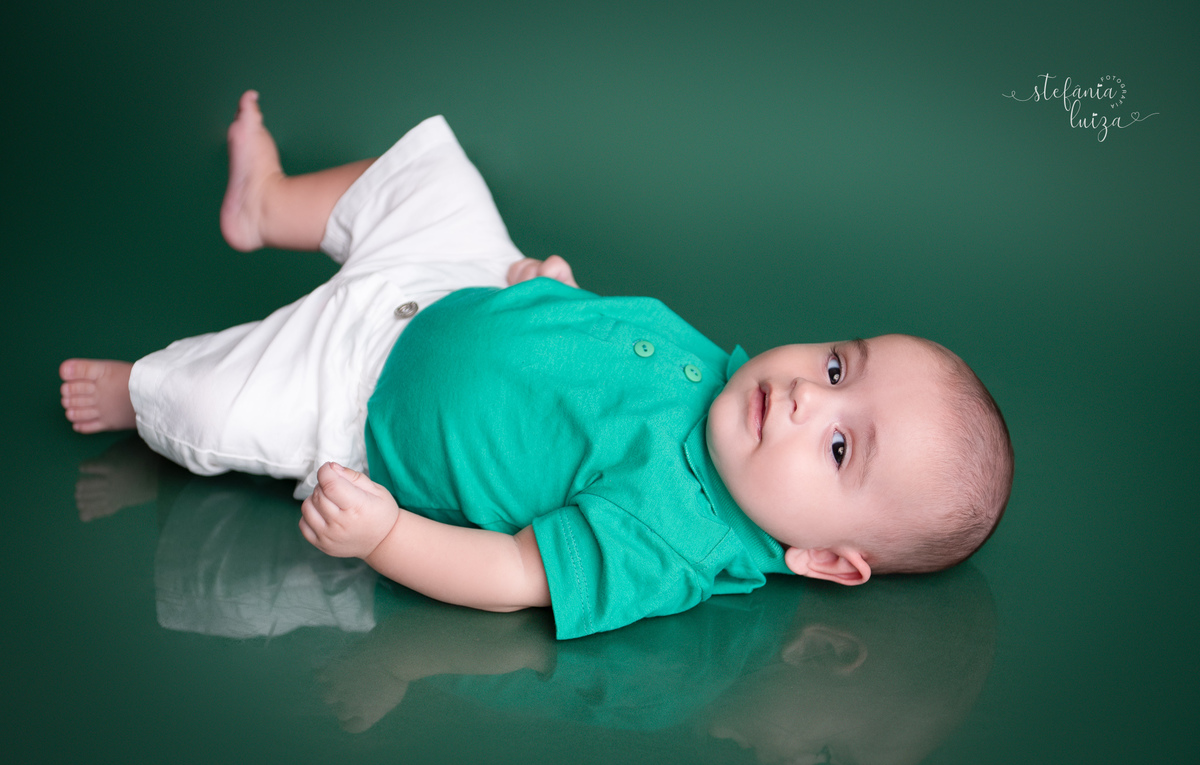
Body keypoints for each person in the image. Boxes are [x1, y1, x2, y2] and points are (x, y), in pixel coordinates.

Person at [60, 91, 1013, 639]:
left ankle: (139, 394)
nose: (807, 396)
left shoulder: (669, 542)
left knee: (216, 407)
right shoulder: (728, 382)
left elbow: (512, 572)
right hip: (466, 285)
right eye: (839, 368)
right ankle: (267, 204)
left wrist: (386, 535)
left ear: (823, 559)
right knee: (432, 176)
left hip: (358, 402)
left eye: (841, 447)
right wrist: (555, 294)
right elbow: (599, 367)